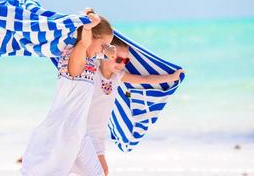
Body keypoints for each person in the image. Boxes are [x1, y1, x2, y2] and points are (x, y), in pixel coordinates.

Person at [71, 36, 184, 176]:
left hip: (98, 136)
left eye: (126, 60)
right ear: (106, 54)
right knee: (89, 170)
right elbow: (84, 50)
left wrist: (171, 78)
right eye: (118, 59)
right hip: (83, 134)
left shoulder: (117, 77)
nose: (122, 64)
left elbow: (145, 80)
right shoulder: (92, 72)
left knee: (100, 171)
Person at [21, 8, 114, 176]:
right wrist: (88, 25)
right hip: (63, 134)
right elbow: (85, 43)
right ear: (90, 36)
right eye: (103, 44)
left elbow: (95, 50)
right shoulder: (75, 56)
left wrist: (107, 50)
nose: (103, 49)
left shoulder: (90, 59)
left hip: (79, 134)